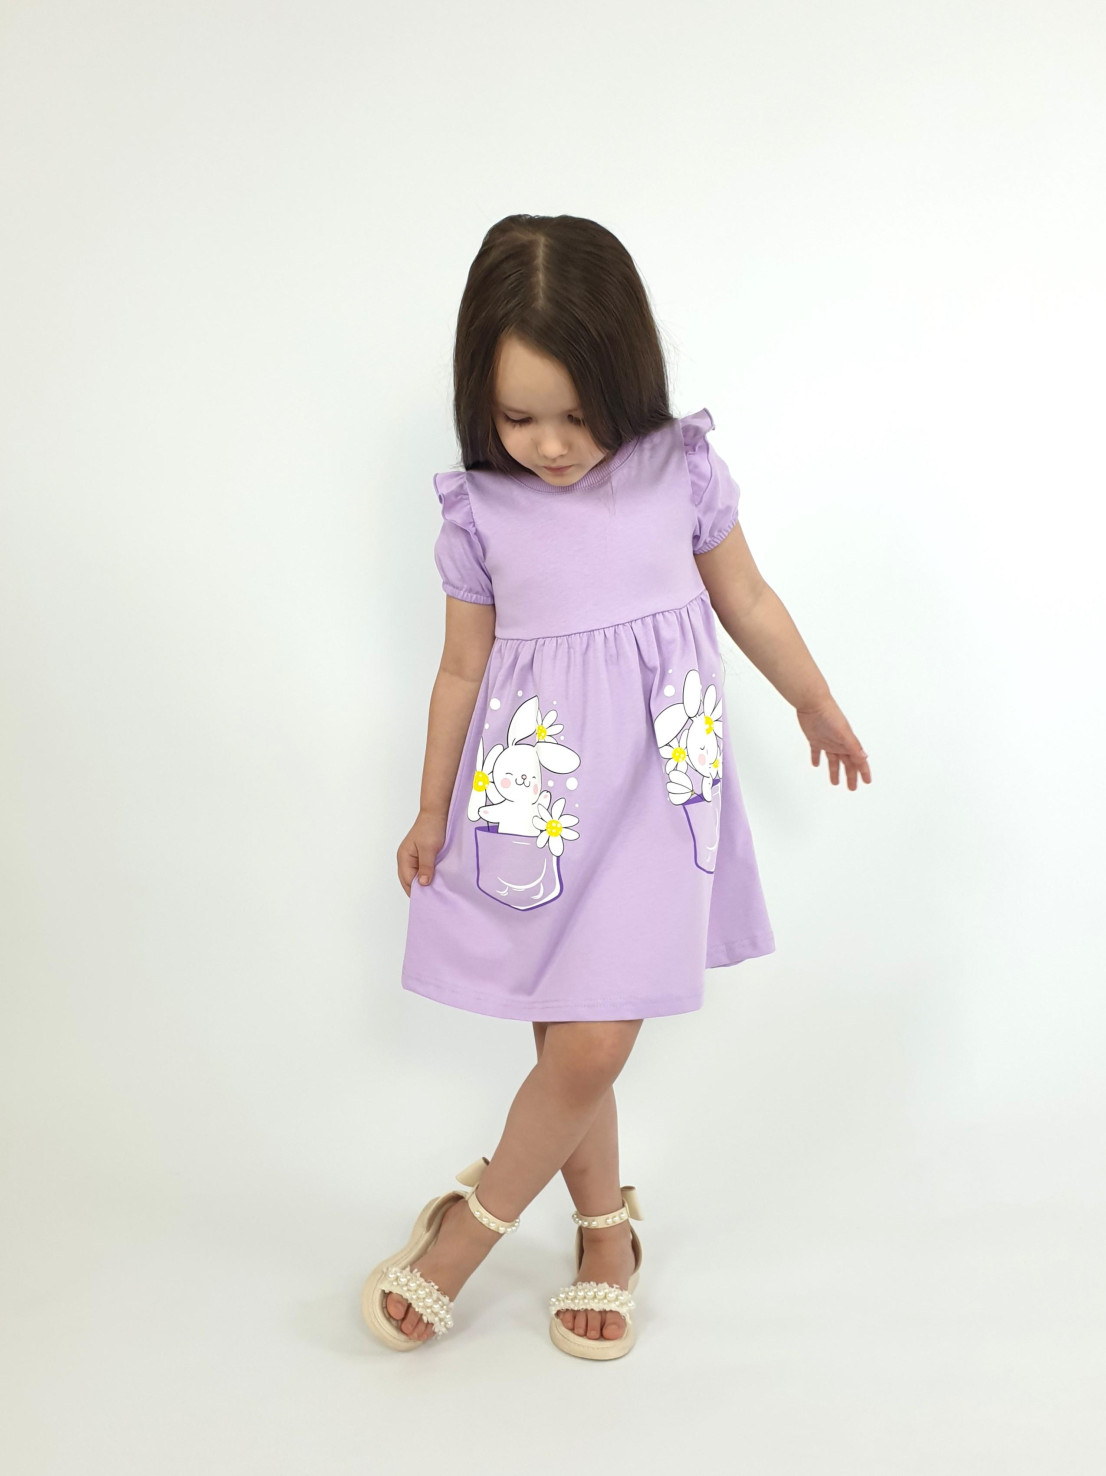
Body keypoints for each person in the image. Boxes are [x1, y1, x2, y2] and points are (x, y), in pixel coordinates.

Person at [361, 213, 871, 1361]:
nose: (549, 445)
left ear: (624, 376)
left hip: (657, 797)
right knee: (565, 1037)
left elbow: (745, 599)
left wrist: (810, 698)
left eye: (576, 414)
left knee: (593, 1042)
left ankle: (467, 1233)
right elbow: (460, 669)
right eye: (518, 418)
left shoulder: (674, 471)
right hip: (539, 803)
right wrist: (432, 806)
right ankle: (604, 1235)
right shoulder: (480, 512)